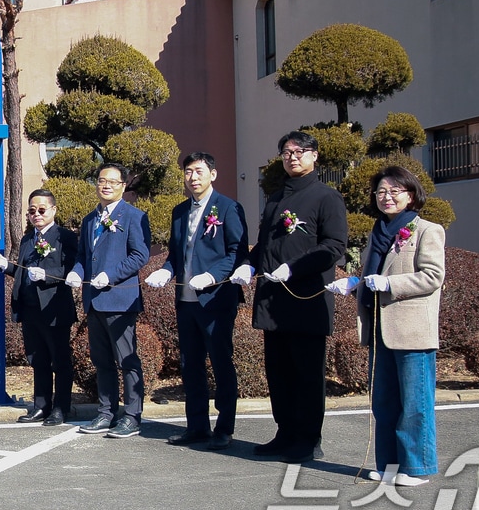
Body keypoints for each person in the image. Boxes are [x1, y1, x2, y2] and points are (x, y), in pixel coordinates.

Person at [230, 131, 347, 463]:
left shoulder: (327, 197)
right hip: (273, 300)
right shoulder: (276, 198)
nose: (293, 156)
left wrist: (294, 269)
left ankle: (309, 439)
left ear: (315, 156)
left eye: (300, 151)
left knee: (307, 373)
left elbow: (334, 247)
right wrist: (248, 266)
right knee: (278, 372)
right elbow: (266, 245)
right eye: (286, 152)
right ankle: (285, 432)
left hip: (306, 299)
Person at [328, 165, 444, 486]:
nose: (387, 197)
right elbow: (373, 276)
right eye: (381, 191)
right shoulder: (378, 233)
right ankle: (389, 464)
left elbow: (432, 276)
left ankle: (416, 468)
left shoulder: (426, 230)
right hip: (379, 329)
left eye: (395, 191)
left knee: (414, 403)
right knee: (384, 401)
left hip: (411, 330)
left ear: (411, 195)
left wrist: (389, 283)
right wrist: (356, 282)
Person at [146, 152, 248, 451]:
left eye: (199, 171)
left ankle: (225, 428)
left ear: (212, 175)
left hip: (215, 299)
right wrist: (165, 271)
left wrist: (212, 276)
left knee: (220, 363)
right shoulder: (180, 212)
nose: (193, 177)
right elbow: (177, 255)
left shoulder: (228, 208)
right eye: (188, 171)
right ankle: (197, 426)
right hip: (186, 302)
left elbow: (236, 252)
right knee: (190, 365)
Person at [68, 163, 151, 439]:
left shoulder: (133, 216)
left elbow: (140, 255)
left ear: (123, 186)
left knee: (127, 359)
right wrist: (76, 273)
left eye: (112, 182)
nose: (106, 185)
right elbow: (83, 256)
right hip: (94, 300)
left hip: (120, 299)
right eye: (101, 180)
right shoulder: (91, 219)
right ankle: (106, 412)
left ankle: (132, 416)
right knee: (101, 361)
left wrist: (111, 275)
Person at [0, 189, 79, 427]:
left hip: (54, 308)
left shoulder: (65, 237)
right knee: (38, 359)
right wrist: (6, 265)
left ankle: (60, 408)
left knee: (60, 360)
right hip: (29, 308)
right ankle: (41, 406)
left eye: (42, 210)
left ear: (54, 210)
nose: (36, 215)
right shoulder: (28, 239)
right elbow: (22, 270)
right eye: (32, 211)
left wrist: (47, 276)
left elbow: (73, 272)